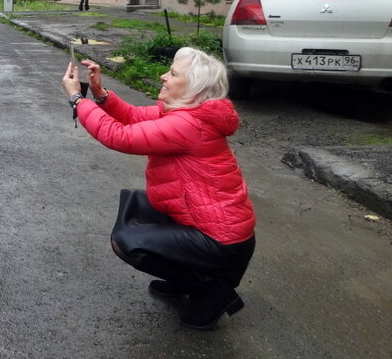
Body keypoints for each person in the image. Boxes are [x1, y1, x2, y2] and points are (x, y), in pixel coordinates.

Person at [62, 48, 256, 331]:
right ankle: (185, 279)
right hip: (217, 233)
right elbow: (131, 116)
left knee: (128, 241)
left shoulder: (187, 123)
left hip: (222, 245)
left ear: (193, 88)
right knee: (137, 207)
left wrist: (77, 99)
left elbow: (119, 136)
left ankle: (211, 291)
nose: (163, 76)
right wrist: (99, 92)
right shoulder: (187, 112)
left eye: (173, 73)